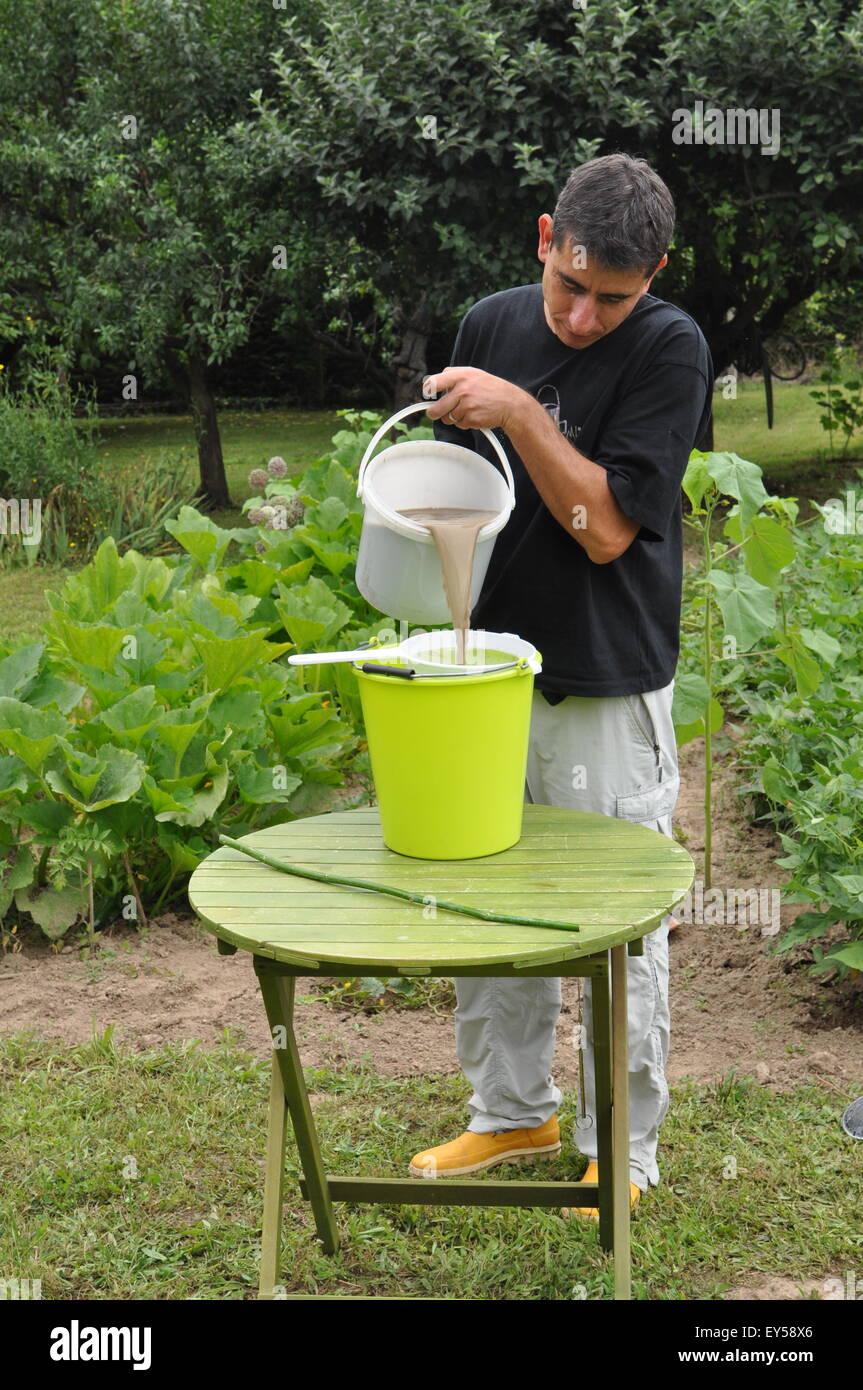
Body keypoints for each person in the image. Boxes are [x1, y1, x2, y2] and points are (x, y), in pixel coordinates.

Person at [409, 153, 713, 1218]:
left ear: (654, 276)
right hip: (482, 671)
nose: (582, 318)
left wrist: (524, 416)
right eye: (567, 285)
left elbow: (605, 531)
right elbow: (453, 490)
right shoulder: (490, 323)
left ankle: (617, 1146)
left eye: (610, 298)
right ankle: (509, 1111)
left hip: (600, 678)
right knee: (487, 902)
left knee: (612, 925)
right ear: (545, 237)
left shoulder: (669, 349)